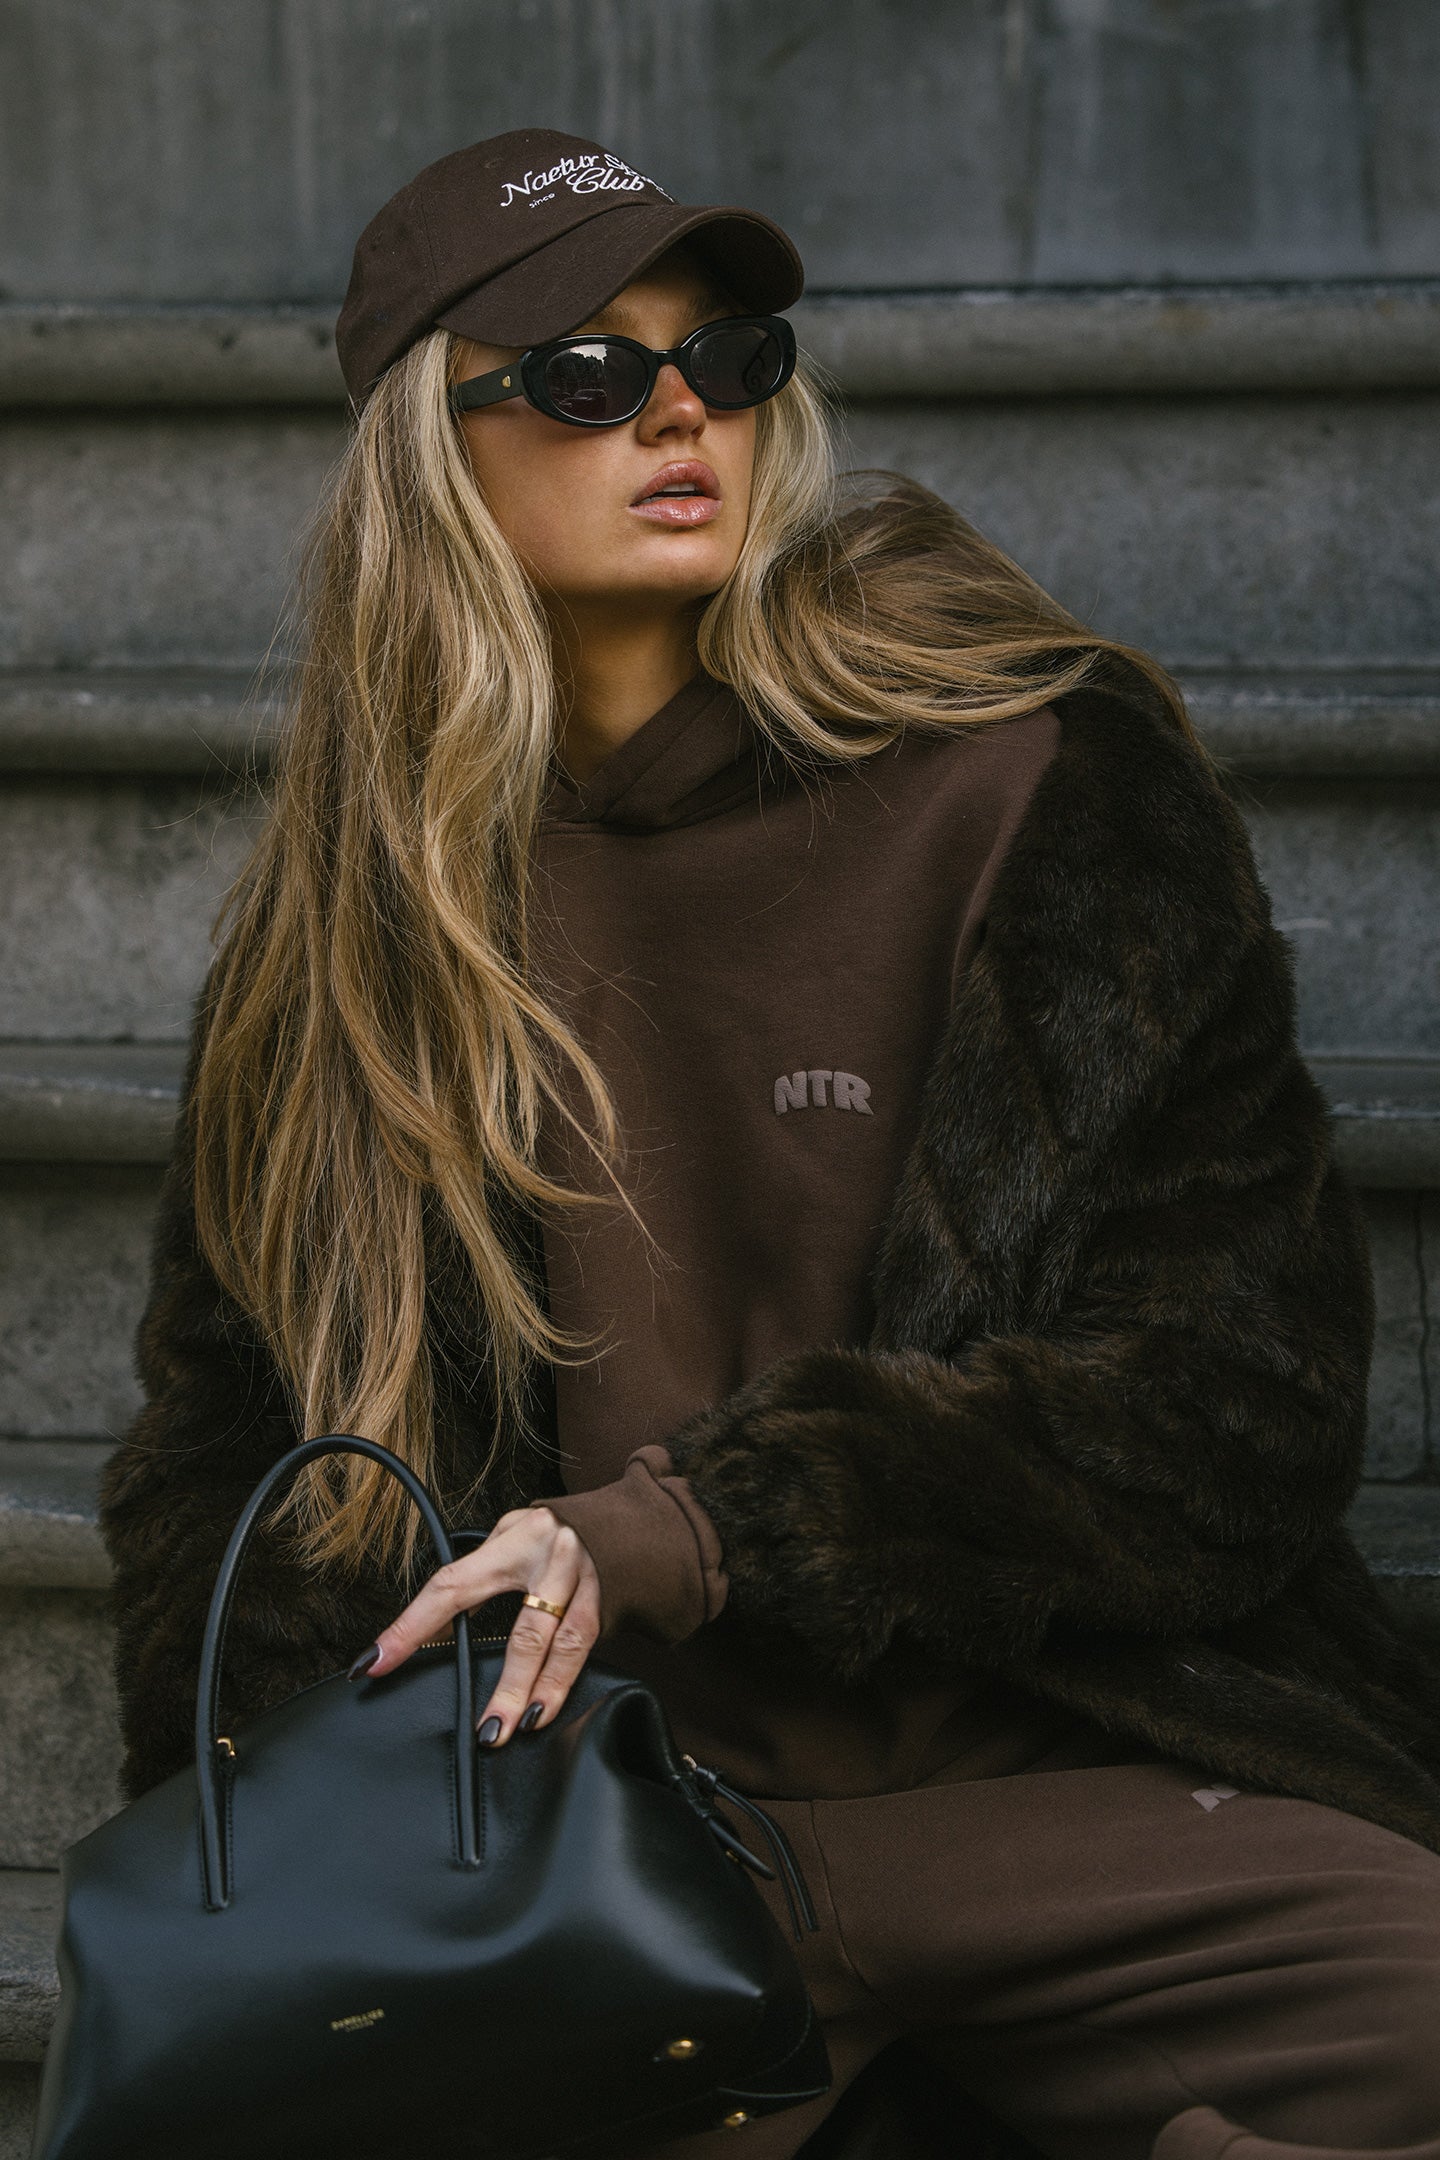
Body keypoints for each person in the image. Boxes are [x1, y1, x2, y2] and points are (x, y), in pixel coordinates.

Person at [98, 127, 1440, 2160]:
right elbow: (229, 1457)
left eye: (727, 358)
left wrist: (696, 1528)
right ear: (429, 454)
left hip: (1084, 1778)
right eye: (583, 372)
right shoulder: (349, 945)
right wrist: (284, 1849)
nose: (678, 414)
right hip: (624, 1836)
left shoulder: (1033, 782)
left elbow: (1234, 1390)